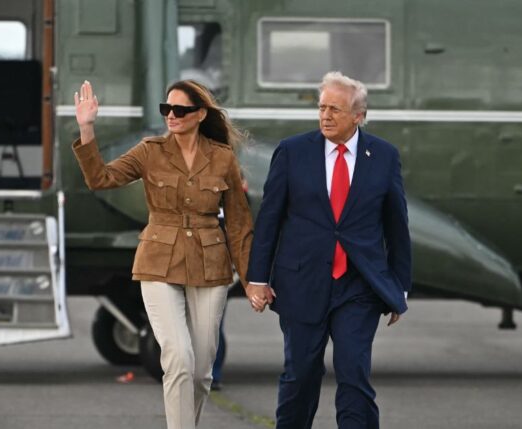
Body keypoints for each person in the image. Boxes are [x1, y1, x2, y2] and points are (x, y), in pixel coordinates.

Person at [72, 79, 261, 429]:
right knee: (178, 359)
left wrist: (251, 282)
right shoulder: (150, 151)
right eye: (166, 109)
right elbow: (101, 178)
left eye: (180, 110)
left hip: (210, 264)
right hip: (158, 261)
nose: (171, 116)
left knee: (202, 372)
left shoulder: (222, 158)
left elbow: (239, 224)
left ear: (201, 114)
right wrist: (87, 127)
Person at [247, 71, 411, 428]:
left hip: (359, 284)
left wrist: (398, 286)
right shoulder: (292, 152)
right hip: (302, 281)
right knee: (300, 375)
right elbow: (270, 219)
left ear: (359, 116)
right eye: (322, 107)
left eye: (335, 109)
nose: (325, 116)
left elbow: (397, 225)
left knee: (354, 374)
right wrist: (257, 278)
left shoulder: (383, 156)